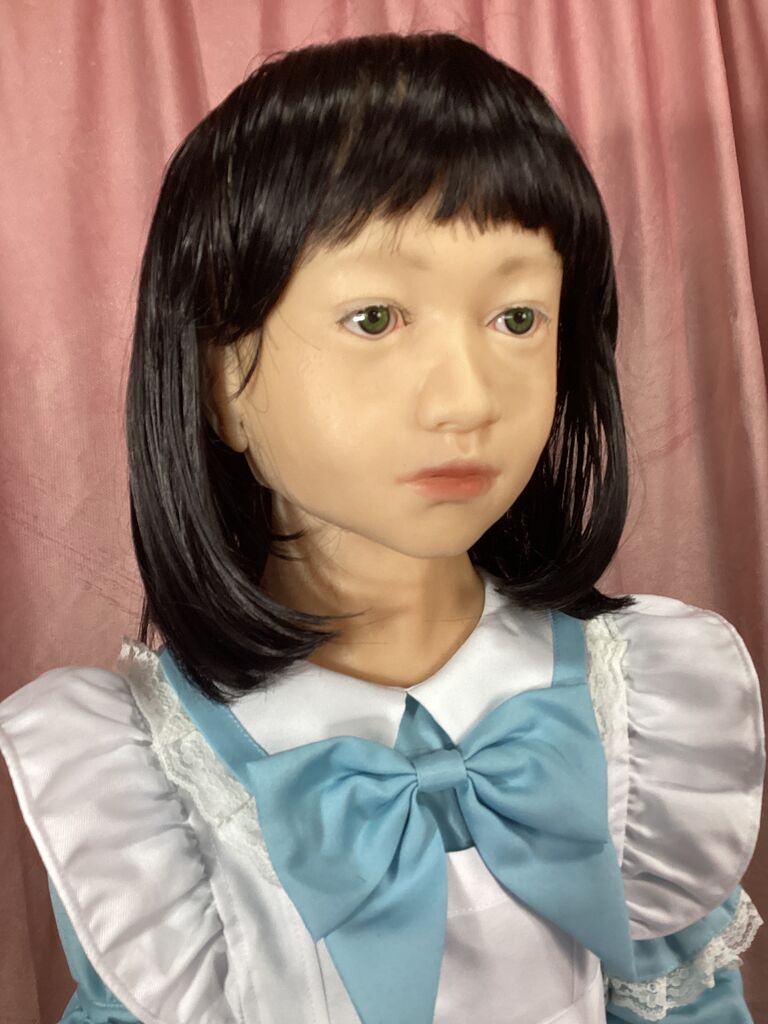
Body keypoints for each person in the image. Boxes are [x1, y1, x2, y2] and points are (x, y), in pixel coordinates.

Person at [0, 30, 764, 1024]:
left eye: (517, 319)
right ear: (220, 376)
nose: (467, 396)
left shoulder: (645, 712)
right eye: (375, 318)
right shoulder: (142, 789)